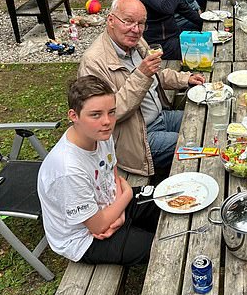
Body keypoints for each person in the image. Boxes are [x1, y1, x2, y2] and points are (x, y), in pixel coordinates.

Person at [38, 75, 160, 265]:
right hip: (84, 239)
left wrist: (120, 215)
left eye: (111, 112)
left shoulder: (99, 135)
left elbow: (112, 173)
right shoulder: (68, 170)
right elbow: (97, 226)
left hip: (110, 206)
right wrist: (126, 196)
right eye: (95, 114)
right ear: (73, 116)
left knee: (167, 199)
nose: (107, 121)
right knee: (160, 247)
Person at [79, 0, 205, 176]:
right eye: (129, 21)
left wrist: (185, 79)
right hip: (136, 139)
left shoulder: (136, 43)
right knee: (196, 146)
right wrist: (141, 74)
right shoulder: (94, 62)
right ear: (111, 20)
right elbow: (108, 114)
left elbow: (156, 74)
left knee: (201, 120)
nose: (136, 30)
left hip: (160, 116)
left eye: (141, 23)